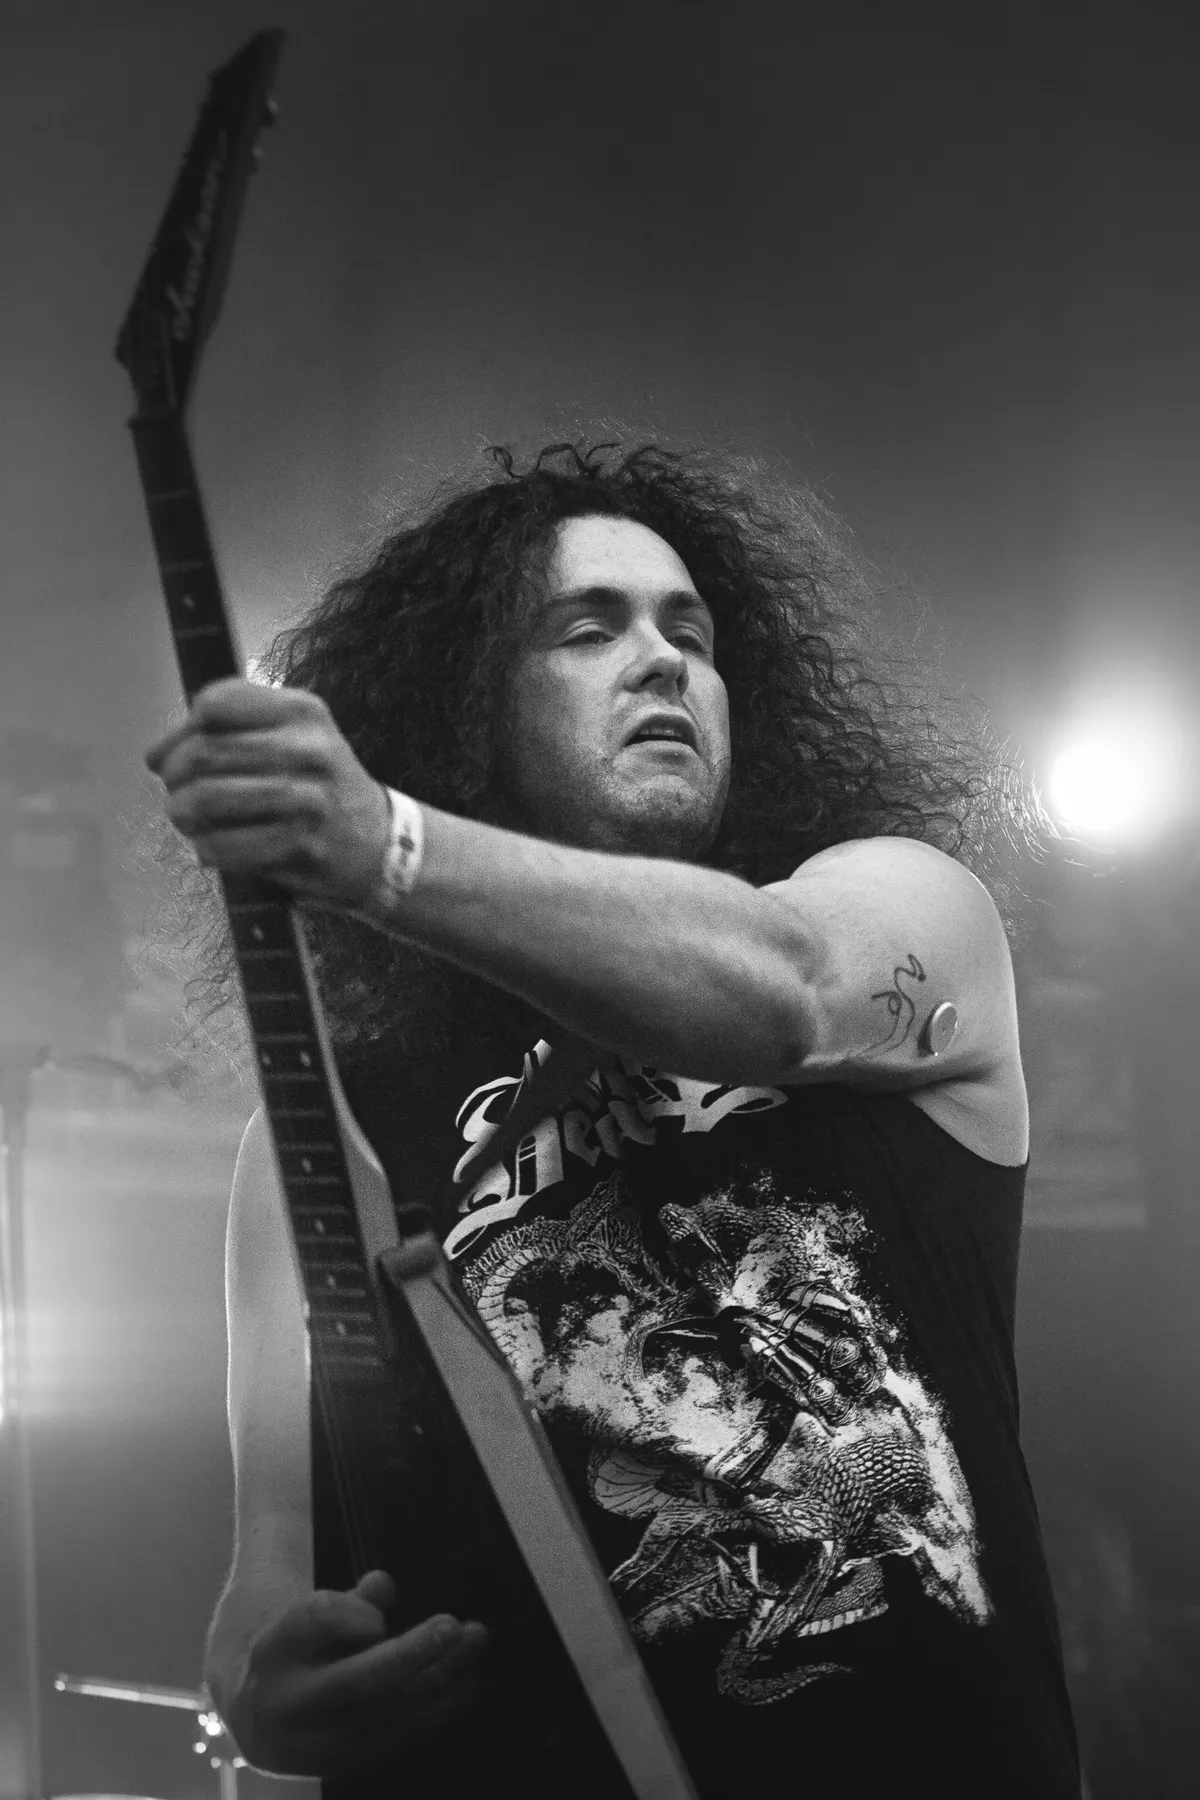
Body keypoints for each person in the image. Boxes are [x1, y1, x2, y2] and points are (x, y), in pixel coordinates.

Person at [147, 444, 1081, 1798]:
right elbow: (267, 1578)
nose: (662, 662)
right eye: (589, 630)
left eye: (689, 634)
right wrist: (261, 1693)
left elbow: (781, 994)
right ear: (467, 710)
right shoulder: (325, 1134)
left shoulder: (906, 907)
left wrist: (384, 847)